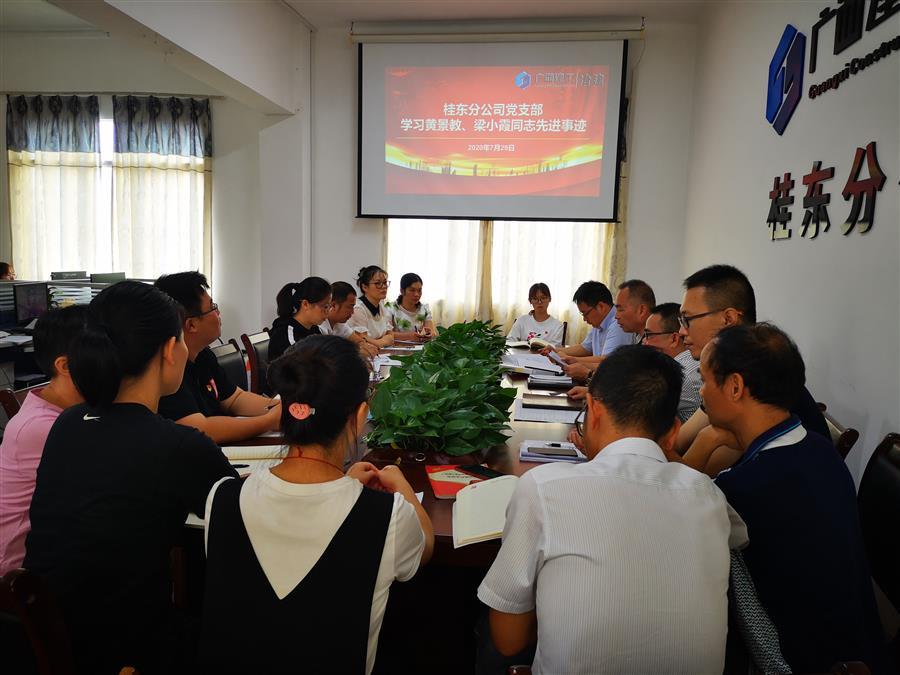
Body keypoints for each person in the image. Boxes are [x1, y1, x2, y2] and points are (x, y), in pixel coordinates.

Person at [477, 345, 746, 674]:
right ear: (673, 433)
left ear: (592, 408)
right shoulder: (711, 497)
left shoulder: (543, 488)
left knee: (489, 634)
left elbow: (509, 641)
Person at [24, 281, 237, 674]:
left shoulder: (68, 423)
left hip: (55, 641)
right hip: (129, 651)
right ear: (170, 349)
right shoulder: (177, 445)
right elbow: (246, 516)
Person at [199, 335, 433, 674]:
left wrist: (344, 483)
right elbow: (424, 548)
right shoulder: (388, 517)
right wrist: (403, 487)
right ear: (360, 415)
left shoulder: (221, 498)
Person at [699, 324, 887, 673]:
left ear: (735, 387)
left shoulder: (743, 489)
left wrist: (707, 441)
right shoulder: (819, 447)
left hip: (802, 661)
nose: (702, 392)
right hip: (863, 642)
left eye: (705, 380)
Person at [675, 264, 829, 476]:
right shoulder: (728, 371)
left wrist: (707, 438)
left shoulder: (757, 381)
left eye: (687, 319)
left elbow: (695, 481)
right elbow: (680, 442)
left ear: (728, 319)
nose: (681, 331)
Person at [0, 306, 87, 574]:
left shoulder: (67, 408)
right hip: (19, 574)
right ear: (65, 366)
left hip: (52, 552)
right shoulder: (43, 427)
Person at [155, 271, 281, 444]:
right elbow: (199, 429)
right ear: (191, 325)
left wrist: (280, 409)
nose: (219, 312)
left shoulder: (203, 355)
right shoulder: (167, 368)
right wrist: (268, 421)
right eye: (213, 307)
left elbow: (234, 399)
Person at [543, 281, 632, 381]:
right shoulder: (599, 322)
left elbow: (607, 361)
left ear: (601, 307)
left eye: (585, 313)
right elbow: (585, 347)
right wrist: (556, 351)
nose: (584, 319)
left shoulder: (618, 324)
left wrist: (573, 359)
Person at [643, 302, 701, 422]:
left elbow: (639, 408)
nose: (645, 343)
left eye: (649, 335)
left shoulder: (681, 375)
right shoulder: (689, 363)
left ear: (674, 339)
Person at [268, 276, 331, 362]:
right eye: (325, 306)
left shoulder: (314, 329)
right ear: (305, 304)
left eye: (329, 306)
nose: (328, 312)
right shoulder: (285, 334)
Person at [320, 280, 379, 358]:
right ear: (334, 305)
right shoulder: (320, 326)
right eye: (350, 307)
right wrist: (357, 352)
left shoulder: (339, 324)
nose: (353, 312)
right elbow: (328, 356)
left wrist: (366, 347)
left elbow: (359, 341)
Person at [348, 265, 395, 348]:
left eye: (385, 282)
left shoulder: (381, 306)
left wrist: (378, 342)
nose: (384, 286)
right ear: (364, 287)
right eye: (378, 283)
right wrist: (383, 342)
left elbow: (391, 336)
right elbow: (363, 340)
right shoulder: (358, 308)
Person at [384, 272, 437, 341]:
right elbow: (386, 334)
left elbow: (432, 332)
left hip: (420, 347)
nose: (417, 294)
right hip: (397, 347)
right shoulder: (390, 308)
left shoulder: (424, 309)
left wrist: (430, 334)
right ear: (402, 291)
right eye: (412, 290)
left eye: (419, 290)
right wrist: (408, 336)